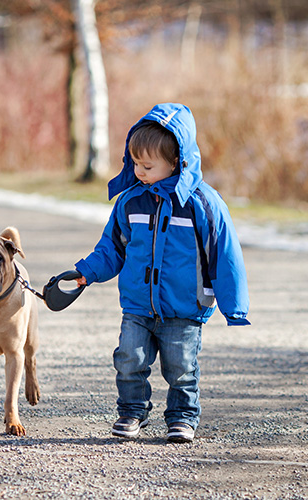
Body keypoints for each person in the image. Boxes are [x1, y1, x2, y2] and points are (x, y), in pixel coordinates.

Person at [68, 103, 249, 443]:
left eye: (147, 165)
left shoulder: (202, 204)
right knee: (128, 359)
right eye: (135, 163)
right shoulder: (130, 202)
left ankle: (182, 417)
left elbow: (225, 254)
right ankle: (132, 412)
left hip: (184, 308)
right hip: (137, 304)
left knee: (180, 369)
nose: (138, 171)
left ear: (177, 161)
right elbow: (112, 248)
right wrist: (85, 273)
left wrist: (233, 304)